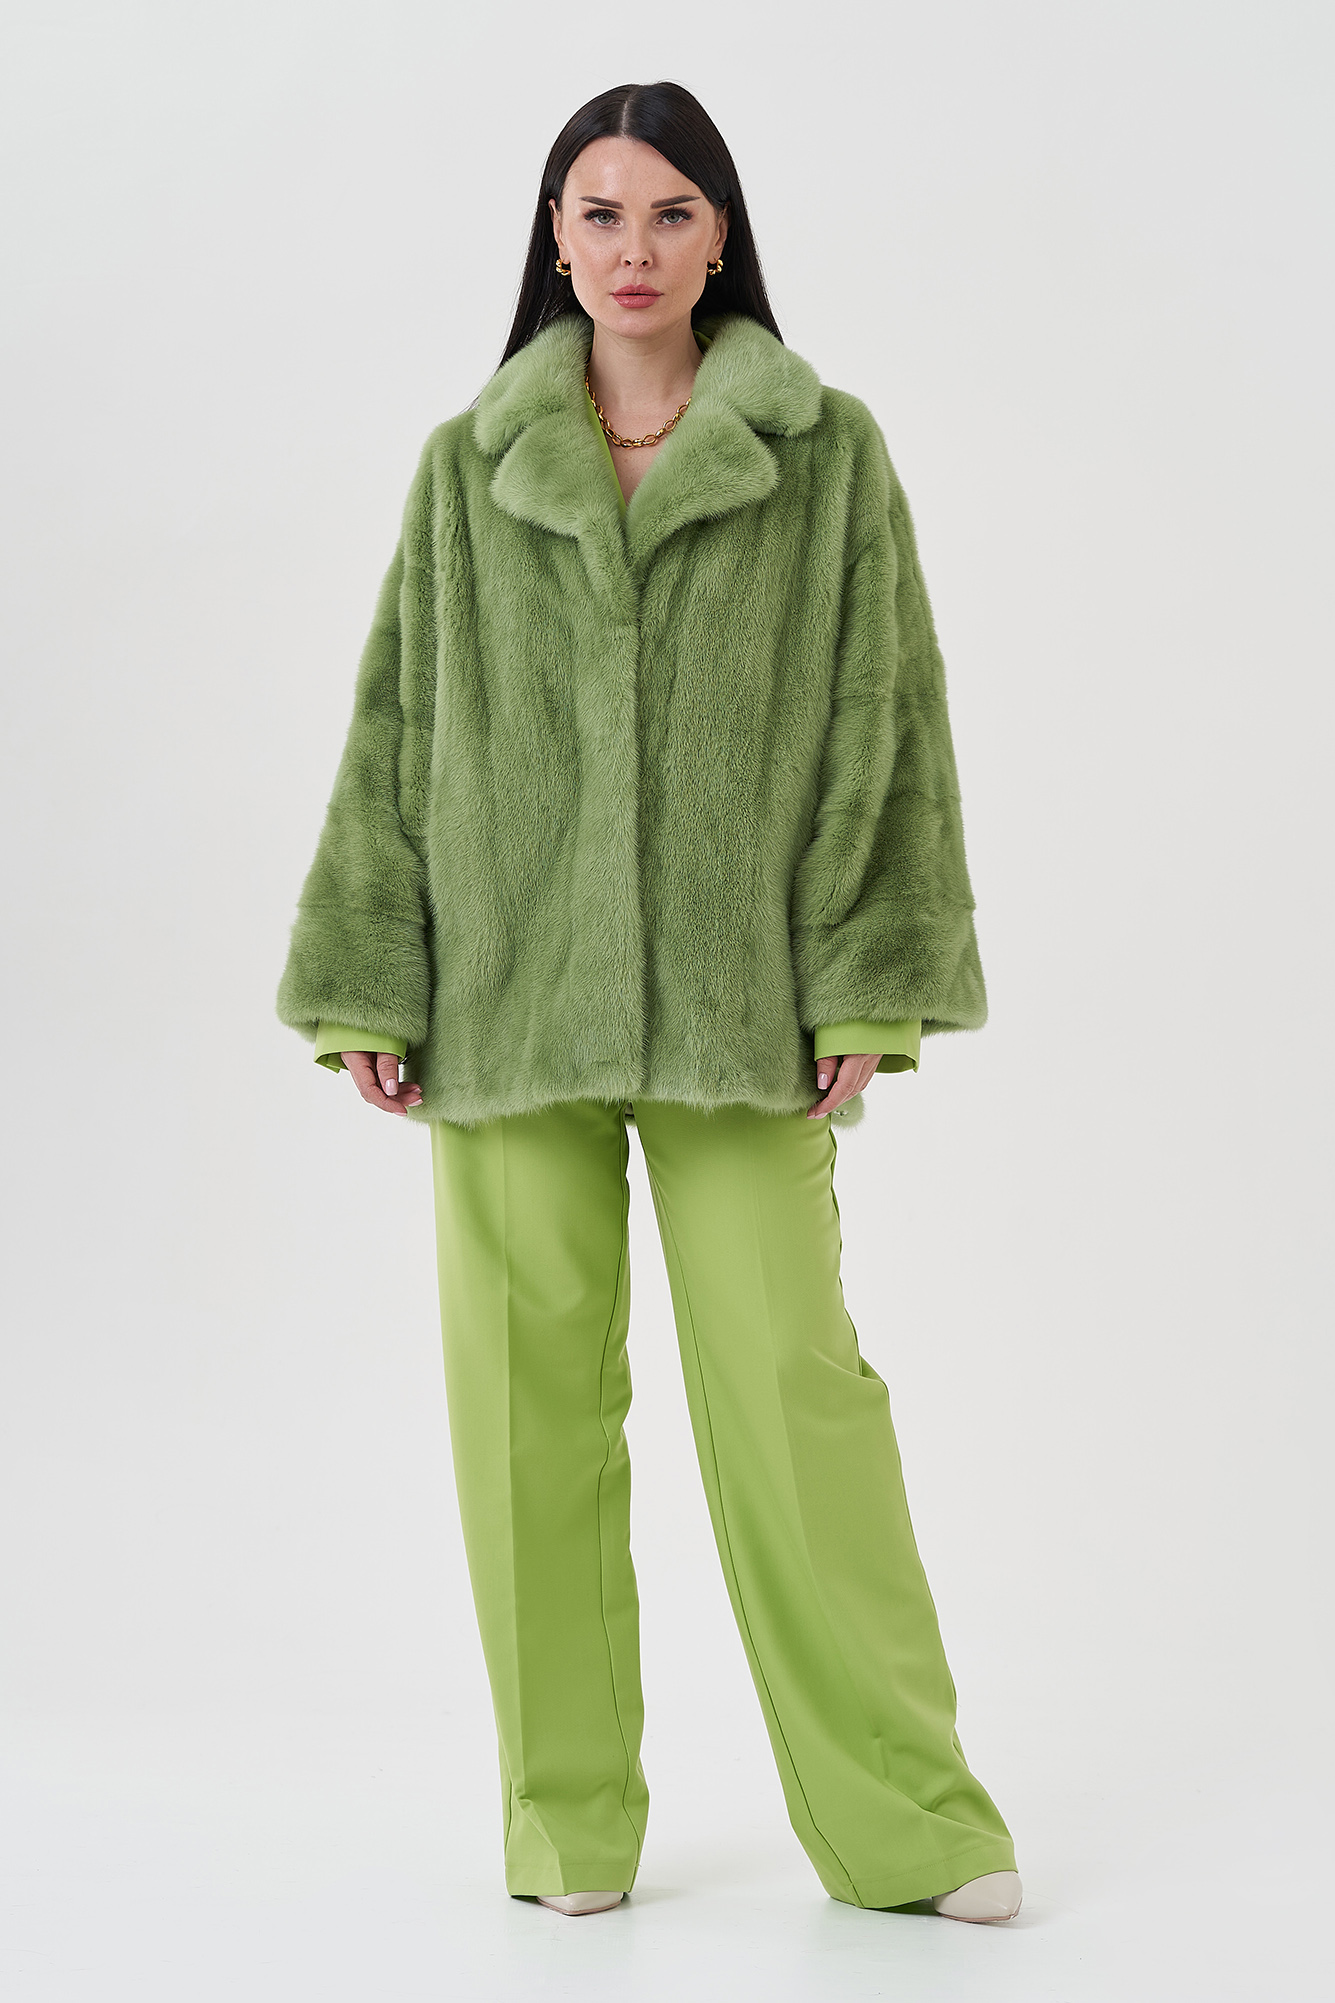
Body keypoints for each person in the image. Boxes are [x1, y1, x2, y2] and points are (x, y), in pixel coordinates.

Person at [276, 80, 1022, 1925]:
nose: (633, 249)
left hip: (741, 1009)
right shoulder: (469, 466)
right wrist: (372, 979)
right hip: (502, 999)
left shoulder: (821, 453)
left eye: (670, 214)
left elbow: (884, 723)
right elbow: (398, 728)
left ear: (720, 236)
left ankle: (911, 1824)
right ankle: (566, 1831)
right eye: (600, 213)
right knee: (521, 1416)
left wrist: (867, 982)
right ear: (555, 237)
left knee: (795, 1396)